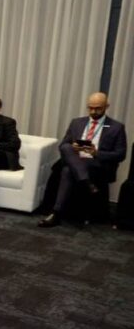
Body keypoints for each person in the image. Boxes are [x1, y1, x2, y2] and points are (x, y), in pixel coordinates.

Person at [39, 92, 127, 228]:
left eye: (98, 108)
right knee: (67, 148)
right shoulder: (77, 122)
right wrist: (74, 147)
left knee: (68, 170)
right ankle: (86, 182)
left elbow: (121, 154)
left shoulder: (116, 127)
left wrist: (96, 153)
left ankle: (56, 213)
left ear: (106, 106)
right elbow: (63, 145)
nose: (93, 111)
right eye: (90, 108)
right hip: (76, 157)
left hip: (97, 162)